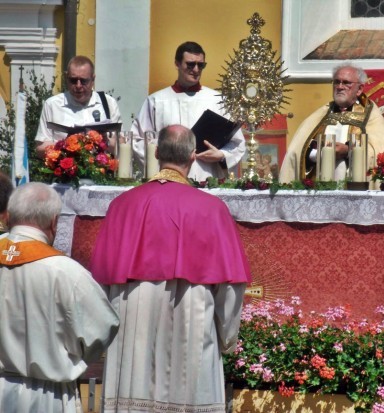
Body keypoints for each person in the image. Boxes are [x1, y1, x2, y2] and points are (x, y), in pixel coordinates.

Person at [90, 124, 251, 412]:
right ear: (192, 156)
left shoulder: (122, 206)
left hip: (132, 312)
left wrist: (103, 337)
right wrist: (227, 338)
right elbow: (231, 285)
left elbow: (101, 283)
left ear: (156, 153)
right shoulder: (212, 208)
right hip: (192, 313)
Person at [0, 182, 119, 412]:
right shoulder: (67, 273)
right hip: (45, 396)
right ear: (54, 222)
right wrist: (69, 357)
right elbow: (101, 329)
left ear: (9, 216)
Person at [131, 41, 246, 182]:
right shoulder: (156, 100)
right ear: (177, 64)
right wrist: (164, 155)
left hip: (207, 178)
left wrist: (222, 155)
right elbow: (138, 140)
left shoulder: (217, 100)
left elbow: (237, 143)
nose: (196, 69)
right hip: (167, 180)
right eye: (190, 64)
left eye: (201, 65)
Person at [279, 62, 384, 186]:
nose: (340, 87)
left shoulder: (370, 115)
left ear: (359, 89)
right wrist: (320, 153)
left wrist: (349, 151)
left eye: (346, 83)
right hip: (320, 188)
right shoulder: (321, 114)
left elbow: (381, 151)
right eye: (336, 82)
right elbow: (297, 151)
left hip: (354, 189)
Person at [35, 55, 122, 158]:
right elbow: (40, 149)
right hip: (65, 167)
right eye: (73, 80)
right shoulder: (52, 105)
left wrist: (105, 142)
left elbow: (122, 145)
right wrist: (67, 144)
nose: (78, 85)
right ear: (66, 78)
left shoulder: (109, 103)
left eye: (84, 81)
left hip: (101, 167)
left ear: (93, 79)